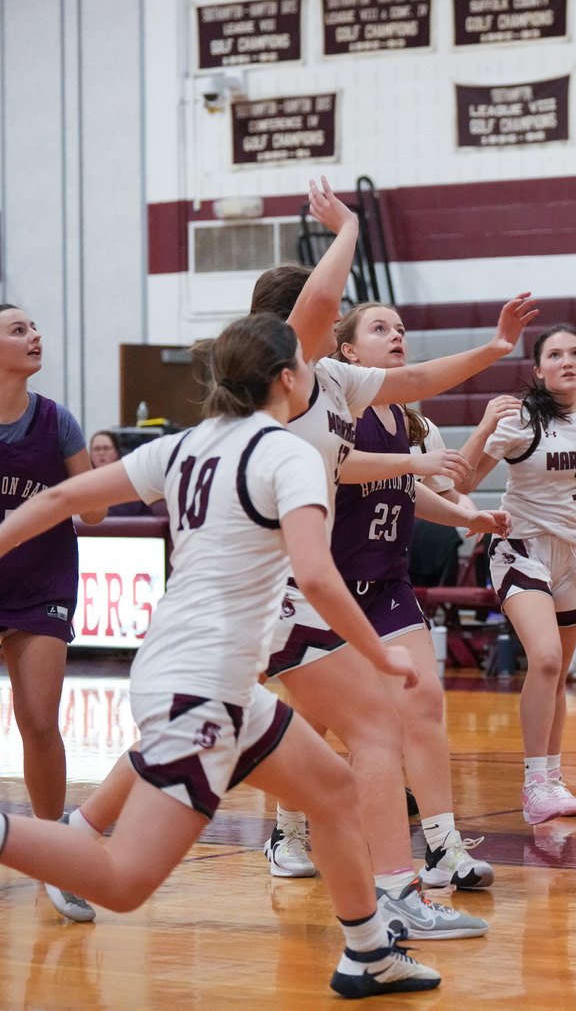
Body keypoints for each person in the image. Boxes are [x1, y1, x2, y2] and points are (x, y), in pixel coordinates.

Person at [0, 314, 441, 997]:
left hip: (212, 678)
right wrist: (381, 658)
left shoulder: (186, 445)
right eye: (305, 361)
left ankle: (368, 952)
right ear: (289, 378)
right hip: (199, 683)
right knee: (122, 883)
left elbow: (60, 498)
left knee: (333, 792)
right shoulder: (290, 453)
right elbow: (318, 576)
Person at [315, 301, 512, 890]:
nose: (396, 335)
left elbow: (403, 487)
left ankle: (444, 847)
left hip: (388, 582)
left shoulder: (408, 417)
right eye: (380, 329)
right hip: (332, 587)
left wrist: (464, 519)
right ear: (348, 352)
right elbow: (344, 466)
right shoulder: (327, 409)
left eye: (401, 329)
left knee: (424, 705)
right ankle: (288, 831)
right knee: (316, 722)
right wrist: (414, 461)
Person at [456, 325, 576, 825]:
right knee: (543, 659)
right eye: (554, 355)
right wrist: (481, 428)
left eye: (575, 352)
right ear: (538, 370)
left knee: (557, 672)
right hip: (522, 548)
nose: (567, 361)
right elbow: (466, 481)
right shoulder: (522, 416)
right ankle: (534, 781)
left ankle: (553, 777)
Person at [0, 304, 106, 923]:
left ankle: (54, 858)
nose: (35, 336)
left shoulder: (56, 421)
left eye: (35, 328)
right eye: (18, 330)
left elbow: (92, 512)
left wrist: (101, 481)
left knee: (39, 720)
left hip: (41, 585)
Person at [90, 430, 159, 517]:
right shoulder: (83, 481)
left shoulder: (128, 478)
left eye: (106, 448)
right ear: (90, 455)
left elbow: (127, 511)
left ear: (116, 453)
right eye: (96, 449)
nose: (101, 453)